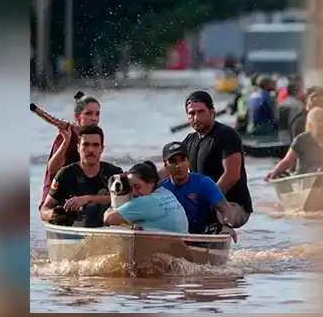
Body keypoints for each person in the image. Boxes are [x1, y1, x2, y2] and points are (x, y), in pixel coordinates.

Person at [173, 90, 254, 223]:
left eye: (201, 112)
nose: (196, 117)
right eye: (191, 113)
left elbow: (232, 176)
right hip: (204, 204)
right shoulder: (189, 140)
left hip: (234, 206)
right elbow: (170, 168)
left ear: (212, 111)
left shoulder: (226, 135)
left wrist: (206, 202)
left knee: (207, 216)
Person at [39, 125, 123, 228]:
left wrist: (87, 199)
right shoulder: (65, 174)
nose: (90, 150)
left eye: (95, 145)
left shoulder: (114, 174)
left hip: (107, 229)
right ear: (78, 148)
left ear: (102, 149)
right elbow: (44, 209)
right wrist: (52, 214)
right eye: (86, 145)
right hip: (73, 232)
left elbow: (125, 201)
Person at [159, 142, 245, 240]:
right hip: (176, 238)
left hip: (206, 234)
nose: (178, 165)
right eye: (173, 161)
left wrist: (228, 226)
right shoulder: (161, 190)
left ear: (188, 161)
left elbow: (225, 208)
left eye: (182, 160)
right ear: (165, 164)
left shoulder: (204, 183)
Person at [39, 91, 101, 207]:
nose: (94, 118)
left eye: (97, 114)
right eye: (89, 114)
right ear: (77, 116)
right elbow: (52, 169)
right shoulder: (66, 135)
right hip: (56, 194)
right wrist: (66, 141)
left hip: (79, 190)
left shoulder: (94, 136)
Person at [102, 161, 189, 233]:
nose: (133, 193)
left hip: (168, 249)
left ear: (151, 183)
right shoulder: (165, 192)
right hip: (183, 243)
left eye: (137, 187)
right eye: (130, 188)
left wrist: (111, 208)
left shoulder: (144, 202)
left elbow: (108, 219)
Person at [265, 107, 323, 181]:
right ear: (310, 124)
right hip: (304, 179)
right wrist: (274, 172)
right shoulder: (301, 140)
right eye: (320, 121)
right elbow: (288, 161)